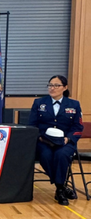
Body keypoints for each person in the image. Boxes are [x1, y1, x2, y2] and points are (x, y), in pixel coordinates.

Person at [28, 75, 83, 206]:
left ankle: (59, 189)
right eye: (50, 85)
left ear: (65, 87)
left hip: (65, 141)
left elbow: (78, 127)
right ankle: (61, 187)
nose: (52, 88)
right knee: (46, 156)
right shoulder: (39, 103)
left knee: (61, 155)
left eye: (56, 85)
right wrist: (40, 137)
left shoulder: (74, 105)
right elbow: (32, 125)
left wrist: (68, 138)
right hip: (44, 141)